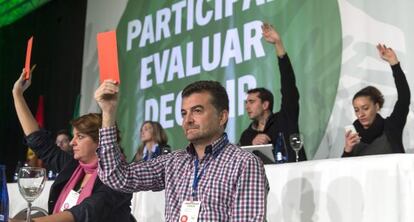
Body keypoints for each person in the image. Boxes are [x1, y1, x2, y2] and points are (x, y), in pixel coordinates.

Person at [95, 80, 268, 221]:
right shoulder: (173, 161)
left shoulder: (244, 163)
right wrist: (108, 112)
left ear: (222, 117)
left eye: (197, 111)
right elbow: (117, 176)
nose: (188, 120)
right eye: (184, 113)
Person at [12, 68, 134, 222]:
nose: (71, 142)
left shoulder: (120, 177)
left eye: (80, 137)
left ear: (100, 140)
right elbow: (38, 142)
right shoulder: (73, 166)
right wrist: (17, 94)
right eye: (74, 136)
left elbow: (85, 212)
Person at [239, 22, 306, 162]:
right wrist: (252, 144)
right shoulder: (246, 135)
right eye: (246, 102)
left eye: (251, 102)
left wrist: (278, 44)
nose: (247, 106)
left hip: (294, 178)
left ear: (265, 105)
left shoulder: (285, 118)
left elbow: (289, 86)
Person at [342, 44, 411, 157]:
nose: (361, 114)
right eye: (356, 110)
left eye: (365, 108)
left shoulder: (391, 126)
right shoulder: (353, 136)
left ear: (377, 106)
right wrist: (347, 150)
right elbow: (344, 170)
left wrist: (394, 64)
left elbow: (404, 98)